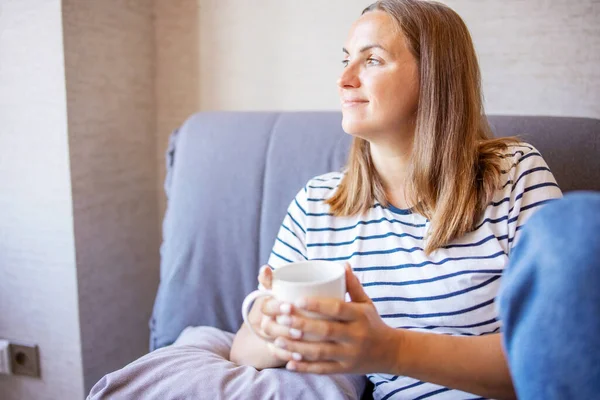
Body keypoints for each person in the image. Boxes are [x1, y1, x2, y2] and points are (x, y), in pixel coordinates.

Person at [229, 0, 570, 399]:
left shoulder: (513, 174)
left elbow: (557, 357)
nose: (344, 79)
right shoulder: (318, 204)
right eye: (345, 60)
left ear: (434, 77)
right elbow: (241, 350)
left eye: (372, 60)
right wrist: (272, 331)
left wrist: (391, 349)